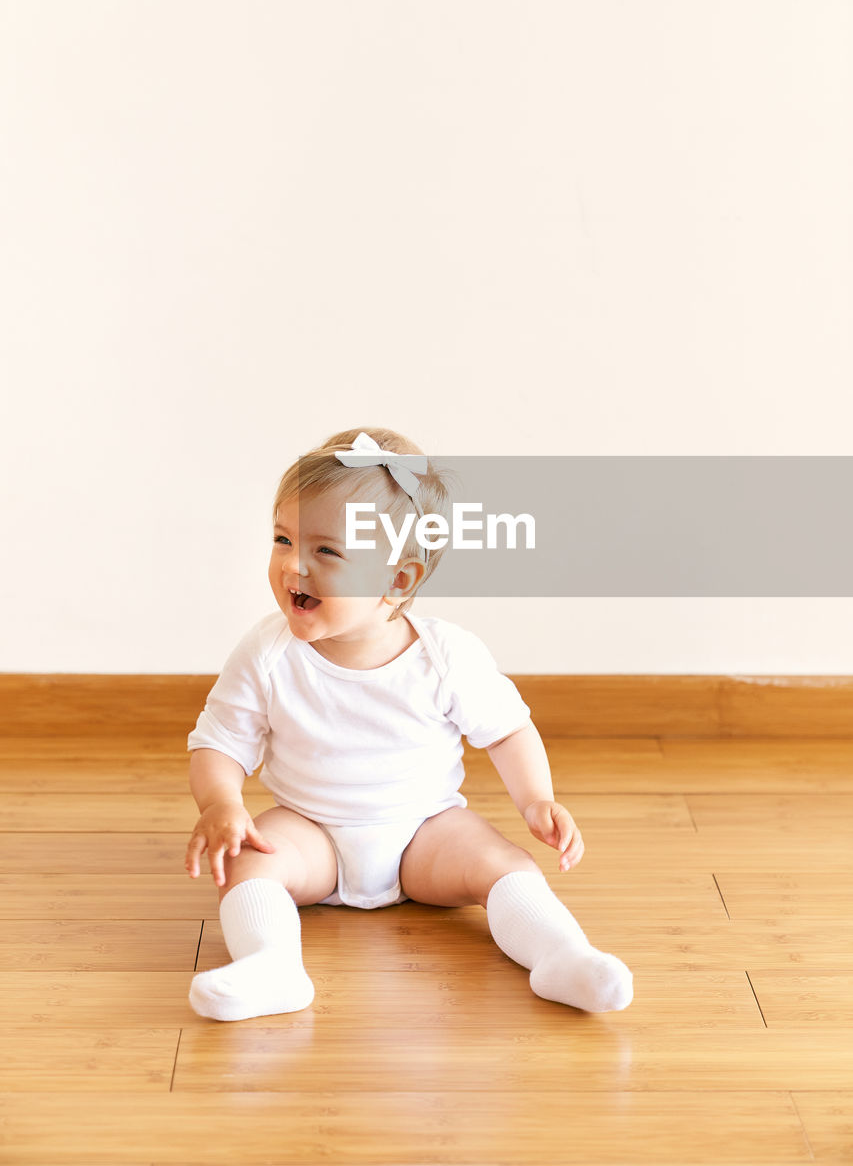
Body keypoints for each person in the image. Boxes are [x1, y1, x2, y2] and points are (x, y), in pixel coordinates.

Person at [184, 427, 633, 1021]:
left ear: (398, 581)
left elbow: (506, 730)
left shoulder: (445, 655)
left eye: (327, 551)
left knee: (502, 863)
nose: (293, 565)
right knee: (250, 862)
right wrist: (221, 803)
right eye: (283, 538)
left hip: (425, 831)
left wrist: (536, 800)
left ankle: (564, 956)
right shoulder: (267, 653)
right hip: (309, 830)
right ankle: (272, 965)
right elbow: (219, 741)